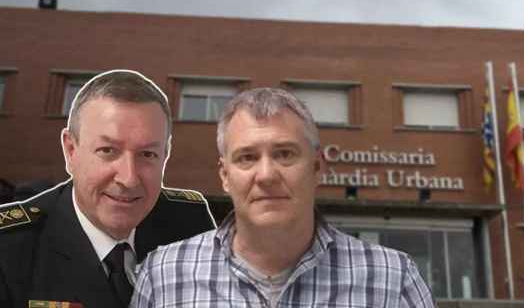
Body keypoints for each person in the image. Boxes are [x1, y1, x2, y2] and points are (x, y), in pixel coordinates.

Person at [131, 87, 436, 307]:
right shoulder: (163, 276)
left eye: (285, 154)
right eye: (247, 157)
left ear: (317, 167)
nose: (266, 175)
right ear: (225, 175)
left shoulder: (393, 280)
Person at [0, 70, 216, 308]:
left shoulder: (190, 224)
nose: (129, 178)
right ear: (71, 151)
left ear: (165, 155)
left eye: (147, 154)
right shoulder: (10, 248)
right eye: (107, 150)